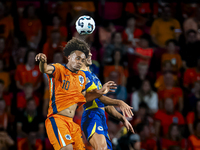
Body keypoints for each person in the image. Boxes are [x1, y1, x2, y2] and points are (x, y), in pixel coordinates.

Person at [35, 37, 119, 150]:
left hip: (72, 123)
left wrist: (101, 92)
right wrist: (43, 61)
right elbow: (44, 69)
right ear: (69, 57)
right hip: (58, 119)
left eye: (82, 60)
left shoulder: (81, 77)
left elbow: (84, 97)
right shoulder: (59, 69)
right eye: (77, 58)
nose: (80, 62)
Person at [80, 49, 134, 150]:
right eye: (87, 54)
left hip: (101, 118)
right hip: (92, 115)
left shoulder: (94, 77)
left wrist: (122, 118)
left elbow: (105, 103)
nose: (91, 54)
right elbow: (98, 96)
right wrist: (119, 102)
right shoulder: (83, 76)